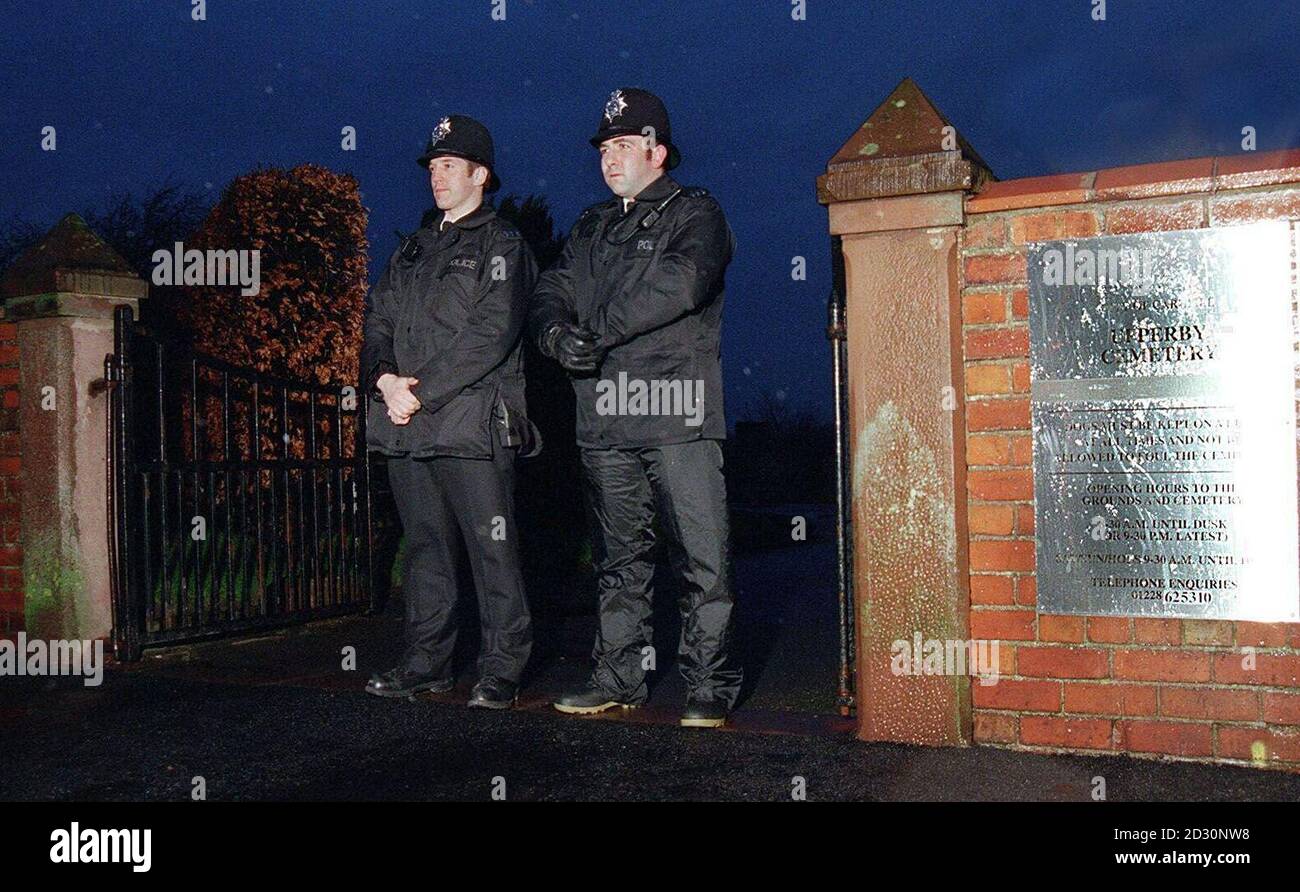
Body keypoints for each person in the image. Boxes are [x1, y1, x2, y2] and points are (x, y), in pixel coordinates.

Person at [529, 88, 741, 728]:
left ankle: (711, 684)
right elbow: (548, 290)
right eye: (604, 147)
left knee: (702, 557)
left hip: (675, 409)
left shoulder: (694, 212)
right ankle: (618, 676)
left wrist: (595, 330)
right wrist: (554, 336)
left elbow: (681, 282)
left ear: (659, 151)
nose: (609, 157)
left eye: (624, 145)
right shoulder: (590, 227)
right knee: (620, 560)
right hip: (605, 418)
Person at [360, 114, 539, 709]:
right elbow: (377, 319)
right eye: (433, 167)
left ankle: (502, 669)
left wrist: (420, 390)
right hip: (406, 424)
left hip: (470, 424)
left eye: (449, 166)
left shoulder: (502, 243)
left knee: (493, 548)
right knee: (426, 548)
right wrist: (385, 380)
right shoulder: (412, 247)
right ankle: (426, 663)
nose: (437, 177)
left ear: (480, 174)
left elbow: (491, 334)